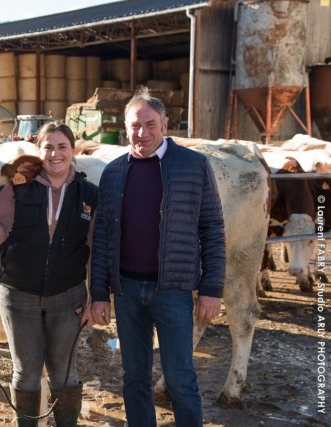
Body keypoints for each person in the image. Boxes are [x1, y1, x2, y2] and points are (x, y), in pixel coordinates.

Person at [89, 87, 225, 426]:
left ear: (165, 125)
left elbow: (212, 229)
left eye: (150, 124)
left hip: (173, 291)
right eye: (135, 125)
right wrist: (98, 293)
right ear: (125, 127)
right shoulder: (114, 172)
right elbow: (104, 235)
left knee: (180, 378)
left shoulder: (193, 166)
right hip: (127, 292)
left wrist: (212, 288)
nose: (142, 133)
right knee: (134, 377)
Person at [0, 121, 98, 427]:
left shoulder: (88, 193)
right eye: (48, 147)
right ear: (40, 151)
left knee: (64, 371)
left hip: (68, 296)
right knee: (26, 372)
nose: (55, 153)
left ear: (73, 151)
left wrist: (94, 297)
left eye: (62, 146)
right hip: (18, 295)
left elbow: (93, 249)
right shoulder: (18, 186)